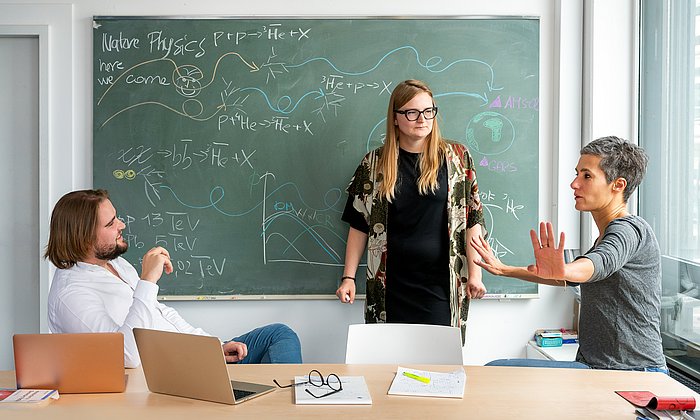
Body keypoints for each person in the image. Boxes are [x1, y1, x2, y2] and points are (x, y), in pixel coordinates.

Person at [471, 136, 667, 372]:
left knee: (496, 370)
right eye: (577, 174)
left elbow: (599, 263)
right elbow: (568, 275)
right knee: (496, 371)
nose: (574, 184)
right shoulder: (606, 233)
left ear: (618, 185)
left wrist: (566, 270)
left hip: (632, 374)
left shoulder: (628, 230)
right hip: (597, 367)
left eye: (586, 176)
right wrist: (505, 269)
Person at [45, 189, 302, 368]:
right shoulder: (71, 295)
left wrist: (213, 347)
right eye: (111, 223)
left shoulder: (116, 265)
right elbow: (126, 357)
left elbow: (162, 316)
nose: (121, 225)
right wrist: (147, 282)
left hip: (192, 356)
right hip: (168, 374)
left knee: (279, 335)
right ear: (85, 236)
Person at [335, 79, 487, 336]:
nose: (422, 119)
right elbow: (359, 225)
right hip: (389, 286)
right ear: (395, 117)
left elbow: (471, 220)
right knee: (389, 361)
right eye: (411, 112)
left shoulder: (458, 158)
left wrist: (476, 274)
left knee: (439, 364)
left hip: (441, 285)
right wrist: (348, 278)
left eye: (428, 111)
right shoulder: (374, 164)